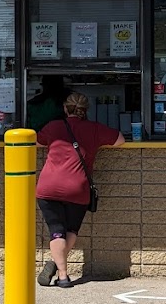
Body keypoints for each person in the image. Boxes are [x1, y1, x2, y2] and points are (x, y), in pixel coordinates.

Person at [36, 92, 124, 287]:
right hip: (77, 188)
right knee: (71, 230)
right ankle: (58, 266)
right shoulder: (94, 129)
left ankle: (62, 274)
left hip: (48, 187)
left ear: (65, 108)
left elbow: (37, 141)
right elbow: (120, 139)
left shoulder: (54, 126)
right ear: (86, 110)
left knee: (56, 231)